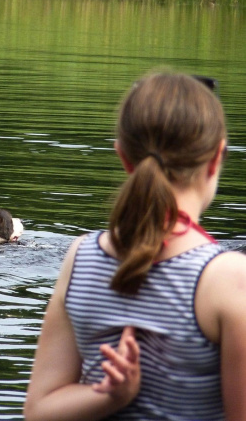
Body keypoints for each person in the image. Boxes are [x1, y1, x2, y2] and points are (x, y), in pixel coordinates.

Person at [23, 72, 246, 420]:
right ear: (217, 157)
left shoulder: (80, 256)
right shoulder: (230, 277)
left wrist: (109, 397)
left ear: (123, 156)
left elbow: (38, 411)